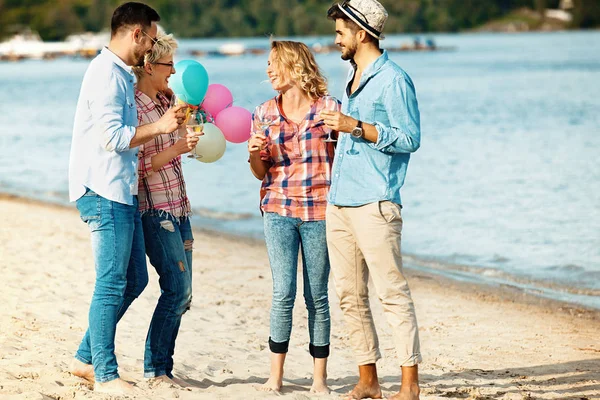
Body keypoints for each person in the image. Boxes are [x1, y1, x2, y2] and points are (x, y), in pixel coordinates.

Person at [68, 2, 186, 394]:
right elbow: (112, 138)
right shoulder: (107, 74)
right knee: (112, 282)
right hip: (103, 189)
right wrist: (161, 126)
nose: (151, 47)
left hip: (120, 189)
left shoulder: (118, 72)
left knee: (134, 278)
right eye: (151, 38)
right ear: (136, 33)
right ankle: (104, 373)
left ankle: (85, 358)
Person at [321, 1, 422, 399]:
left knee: (391, 292)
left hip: (376, 204)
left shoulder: (394, 79)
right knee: (348, 295)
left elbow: (410, 138)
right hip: (340, 201)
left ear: (362, 33)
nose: (336, 39)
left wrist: (356, 127)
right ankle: (368, 381)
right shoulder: (352, 76)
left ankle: (410, 385)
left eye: (341, 31)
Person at [247, 40, 337, 395]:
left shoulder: (328, 109)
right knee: (283, 293)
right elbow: (259, 171)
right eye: (267, 64)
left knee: (317, 296)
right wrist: (255, 154)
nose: (268, 70)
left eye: (274, 63)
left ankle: (319, 379)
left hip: (320, 211)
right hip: (278, 210)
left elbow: (344, 160)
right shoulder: (264, 112)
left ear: (294, 65)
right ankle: (276, 377)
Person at [132, 30, 199, 386]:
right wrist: (178, 149)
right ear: (147, 65)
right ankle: (156, 369)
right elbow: (139, 165)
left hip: (180, 207)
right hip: (156, 211)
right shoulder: (137, 107)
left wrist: (190, 135)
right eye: (168, 64)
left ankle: (163, 368)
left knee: (184, 293)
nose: (173, 70)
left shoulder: (165, 101)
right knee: (177, 289)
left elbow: (179, 142)